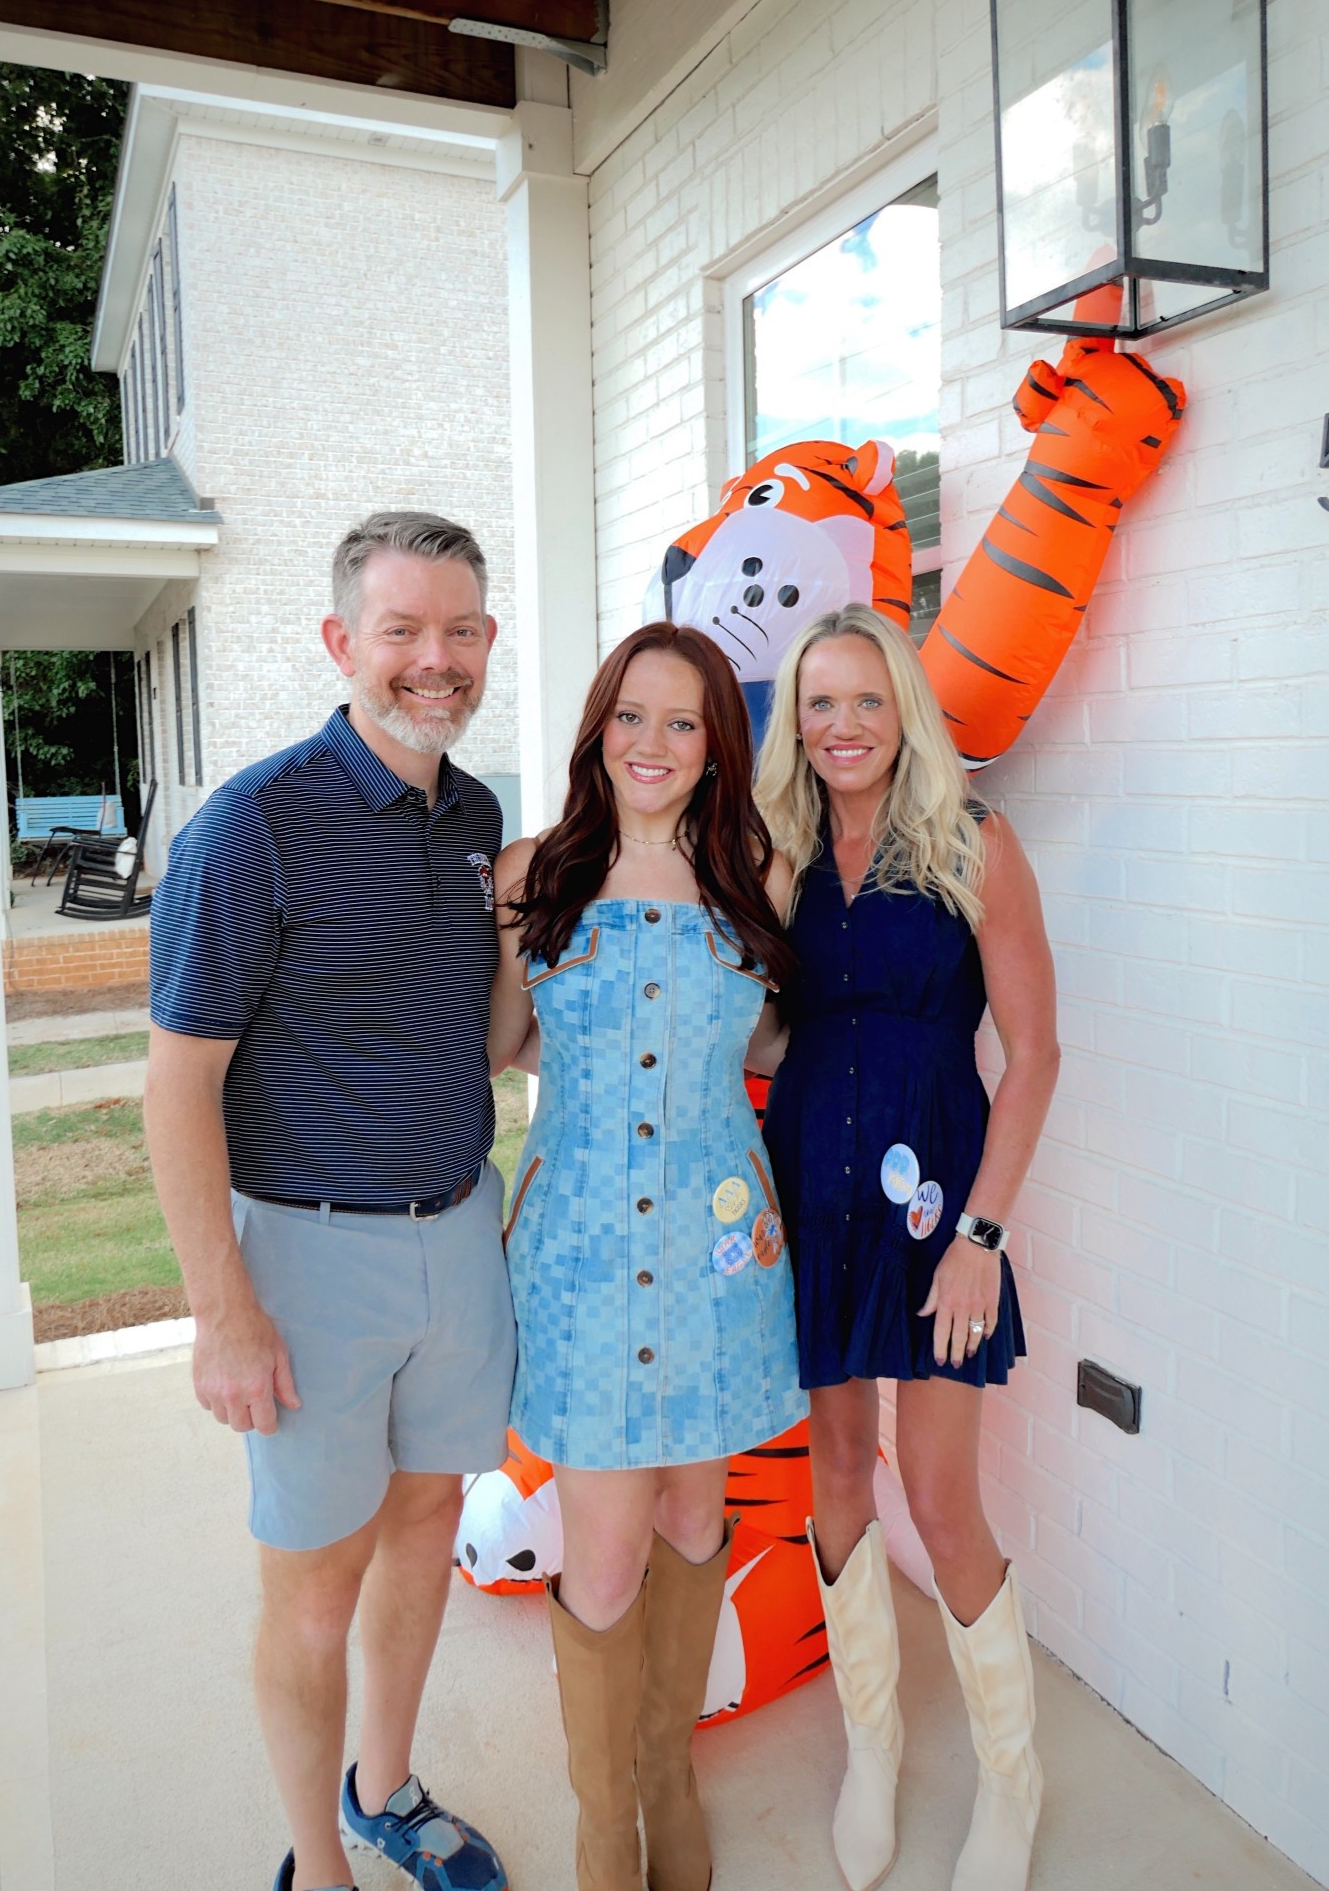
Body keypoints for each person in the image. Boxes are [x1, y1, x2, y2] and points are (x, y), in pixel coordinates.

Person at [144, 513, 516, 1891]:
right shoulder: (256, 825)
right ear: (340, 642)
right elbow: (177, 1084)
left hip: (457, 1236)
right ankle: (319, 1864)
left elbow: (476, 1043)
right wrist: (220, 1310)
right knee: (314, 1583)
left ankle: (385, 1788)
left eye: (461, 630)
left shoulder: (475, 820)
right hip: (306, 1259)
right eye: (404, 630)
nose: (436, 660)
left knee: (426, 1531)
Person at [487, 621, 805, 1891]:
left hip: (718, 1245)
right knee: (604, 1545)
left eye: (682, 721)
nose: (653, 744)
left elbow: (772, 1044)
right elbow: (508, 1039)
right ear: (596, 727)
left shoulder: (758, 872)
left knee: (689, 1510)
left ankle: (667, 1778)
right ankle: (598, 1823)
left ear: (716, 744)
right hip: (579, 1244)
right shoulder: (533, 866)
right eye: (631, 716)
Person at [752, 604, 1059, 1891]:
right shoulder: (777, 851)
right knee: (834, 1470)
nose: (842, 726)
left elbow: (1034, 1053)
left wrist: (981, 1235)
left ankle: (1012, 1776)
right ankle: (870, 1748)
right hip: (813, 1187)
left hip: (942, 1204)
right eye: (818, 703)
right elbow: (748, 1023)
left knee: (936, 1493)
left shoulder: (976, 839)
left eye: (865, 700)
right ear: (795, 721)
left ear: (906, 711)